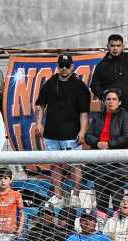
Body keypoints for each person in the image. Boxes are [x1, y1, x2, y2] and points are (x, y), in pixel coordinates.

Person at [34, 52, 91, 201]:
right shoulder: (51, 82)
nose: (64, 68)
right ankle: (57, 195)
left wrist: (83, 131)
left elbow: (84, 113)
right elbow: (40, 104)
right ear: (57, 66)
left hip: (72, 134)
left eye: (67, 66)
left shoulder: (79, 86)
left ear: (72, 66)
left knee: (76, 165)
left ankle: (76, 196)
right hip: (52, 133)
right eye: (61, 66)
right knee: (55, 165)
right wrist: (39, 123)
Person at [84, 88, 128, 213]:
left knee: (116, 193)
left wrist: (108, 144)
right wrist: (97, 143)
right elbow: (88, 136)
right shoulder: (98, 116)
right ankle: (102, 225)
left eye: (114, 99)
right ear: (104, 102)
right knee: (101, 195)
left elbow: (127, 137)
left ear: (119, 102)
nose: (111, 102)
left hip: (118, 163)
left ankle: (117, 224)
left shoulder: (125, 117)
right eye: (108, 99)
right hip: (100, 162)